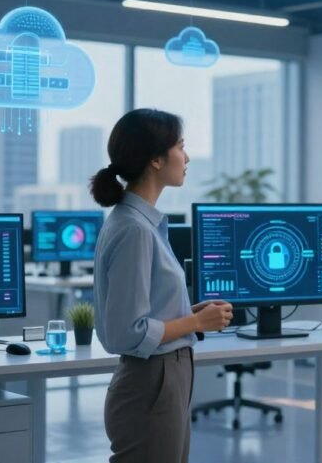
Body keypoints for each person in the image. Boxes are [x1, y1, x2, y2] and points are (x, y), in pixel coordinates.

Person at [90, 108, 233, 463]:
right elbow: (127, 331)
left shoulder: (142, 223)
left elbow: (146, 310)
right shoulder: (134, 230)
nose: (186, 157)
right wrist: (196, 323)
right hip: (151, 380)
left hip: (166, 375)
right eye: (181, 147)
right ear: (155, 159)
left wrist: (188, 313)